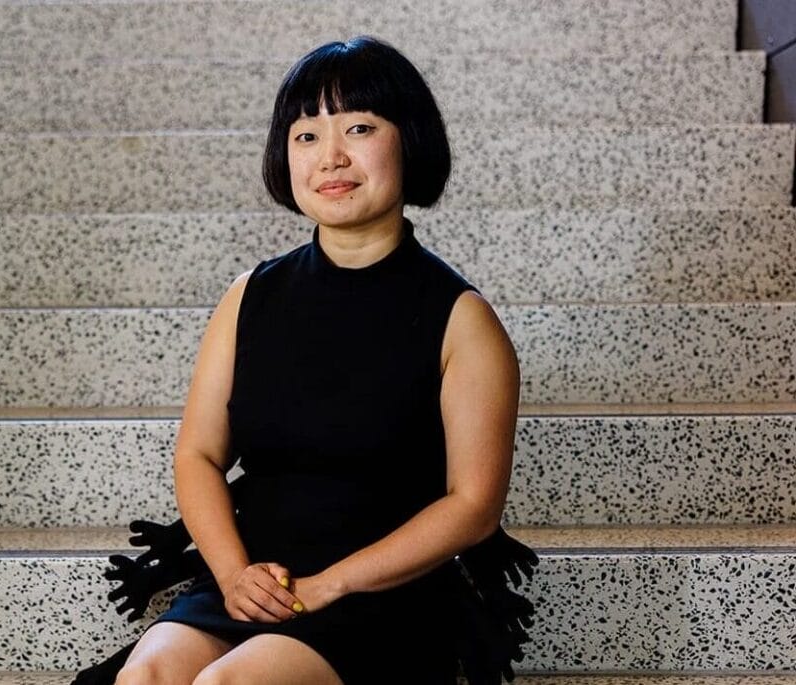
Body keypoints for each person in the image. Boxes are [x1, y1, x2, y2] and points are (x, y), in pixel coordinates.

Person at [72, 35, 538, 685]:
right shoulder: (249, 296)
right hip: (257, 576)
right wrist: (235, 574)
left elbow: (473, 504)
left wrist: (331, 583)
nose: (332, 155)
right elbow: (199, 454)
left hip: (384, 594)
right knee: (148, 675)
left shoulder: (462, 319)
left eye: (360, 127)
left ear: (410, 141)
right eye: (307, 135)